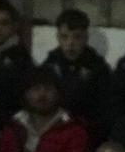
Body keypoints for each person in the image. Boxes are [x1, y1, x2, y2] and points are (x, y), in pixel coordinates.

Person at [41, 8, 111, 136]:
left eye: (77, 37)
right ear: (57, 37)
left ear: (86, 38)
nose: (70, 43)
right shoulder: (49, 64)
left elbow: (105, 109)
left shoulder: (98, 68)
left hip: (86, 131)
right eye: (64, 37)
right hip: (54, 129)